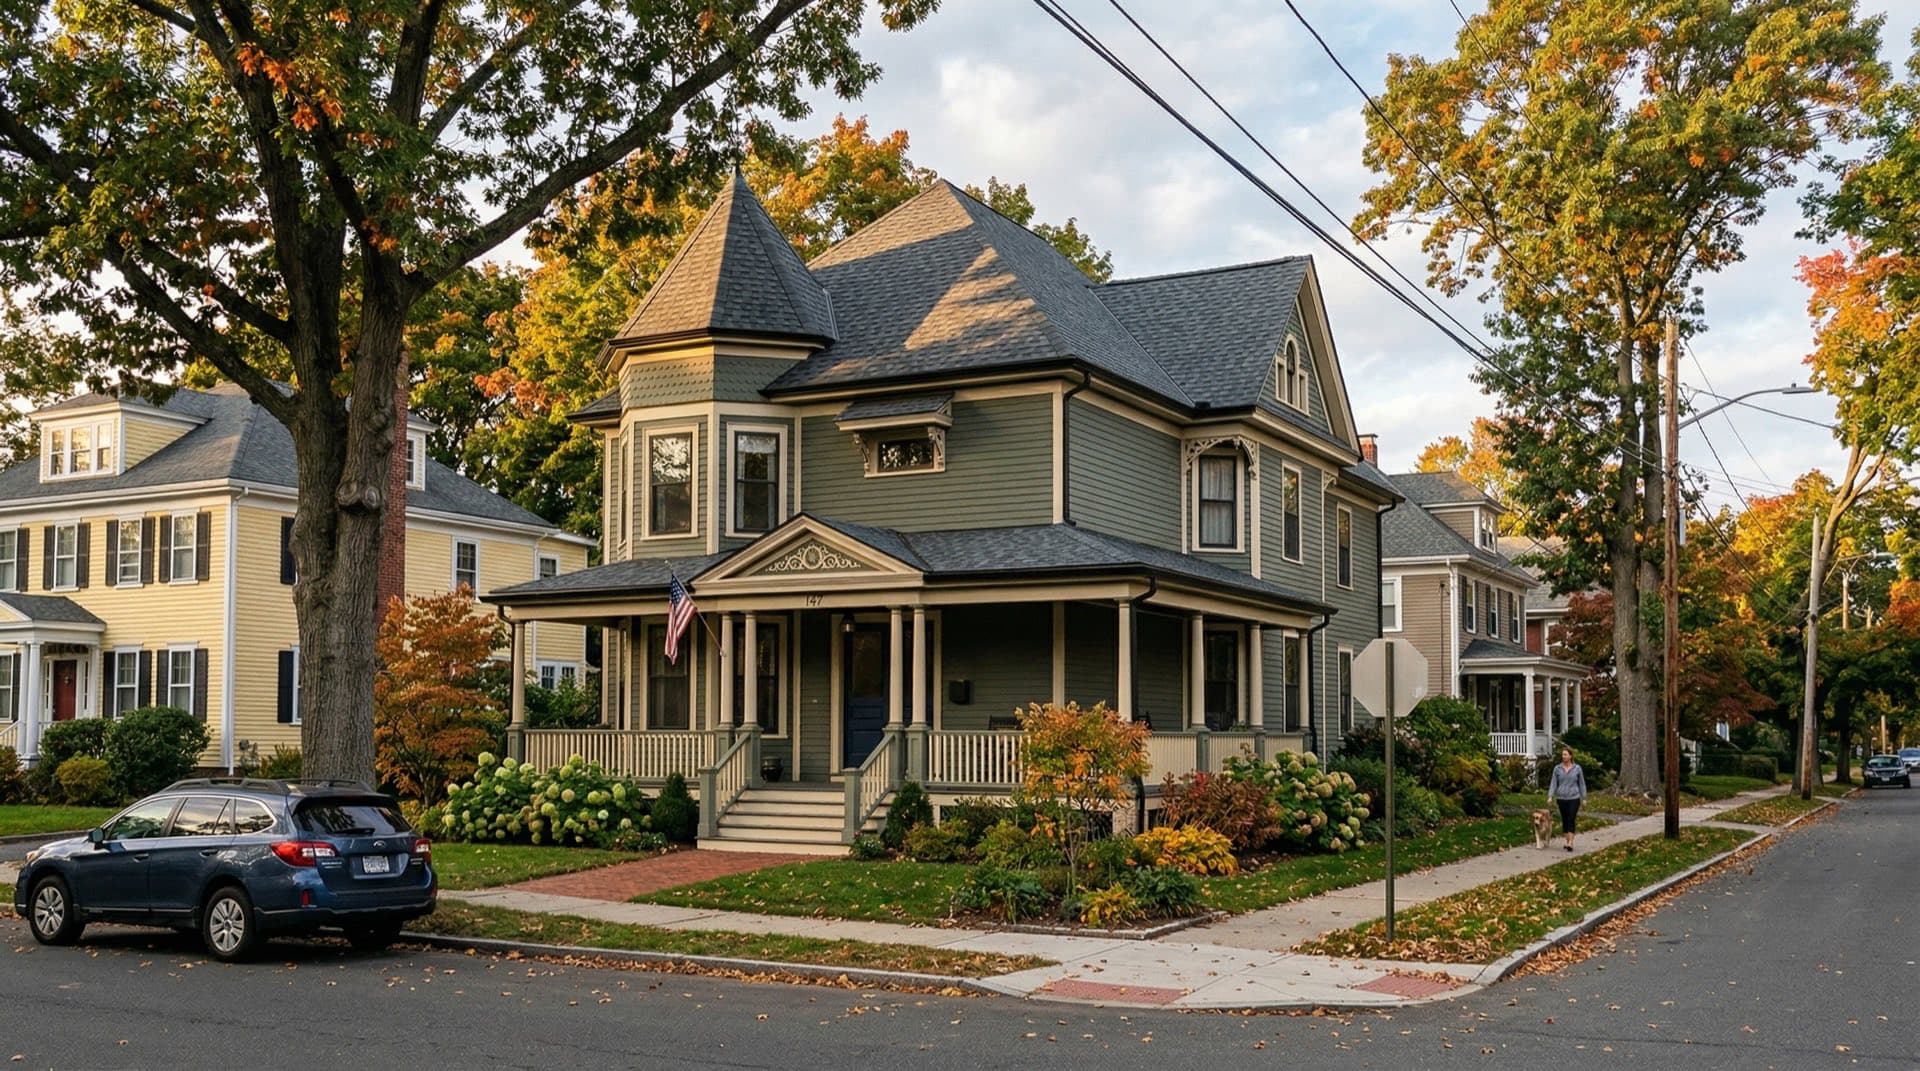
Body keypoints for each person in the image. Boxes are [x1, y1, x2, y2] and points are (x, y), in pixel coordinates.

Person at [1546, 747, 1587, 852]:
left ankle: (1570, 843)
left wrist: (1584, 798)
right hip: (1561, 798)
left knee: (1571, 818)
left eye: (1565, 754)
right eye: (1562, 755)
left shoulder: (1577, 768)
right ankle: (1568, 841)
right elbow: (1553, 783)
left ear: (1570, 756)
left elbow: (1582, 784)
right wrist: (1550, 796)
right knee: (1565, 819)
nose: (1563, 756)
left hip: (1574, 797)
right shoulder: (1557, 769)